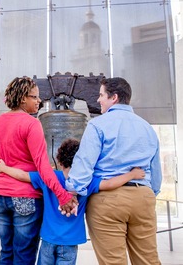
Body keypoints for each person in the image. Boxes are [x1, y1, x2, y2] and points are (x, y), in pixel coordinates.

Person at [0, 138, 145, 265]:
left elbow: (22, 175)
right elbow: (110, 183)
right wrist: (131, 174)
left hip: (48, 238)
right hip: (70, 242)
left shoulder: (50, 177)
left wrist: (3, 167)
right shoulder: (88, 181)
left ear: (60, 161)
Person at [65, 77, 162, 265]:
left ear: (114, 97)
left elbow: (84, 165)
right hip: (143, 197)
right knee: (148, 260)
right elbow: (155, 173)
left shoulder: (98, 125)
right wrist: (149, 193)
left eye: (101, 95)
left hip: (108, 200)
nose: (99, 100)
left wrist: (72, 192)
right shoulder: (147, 128)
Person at [0, 76, 78, 265]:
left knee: (6, 251)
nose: (39, 101)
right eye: (34, 97)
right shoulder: (31, 124)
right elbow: (43, 167)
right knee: (24, 256)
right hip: (26, 198)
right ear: (22, 98)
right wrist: (63, 195)